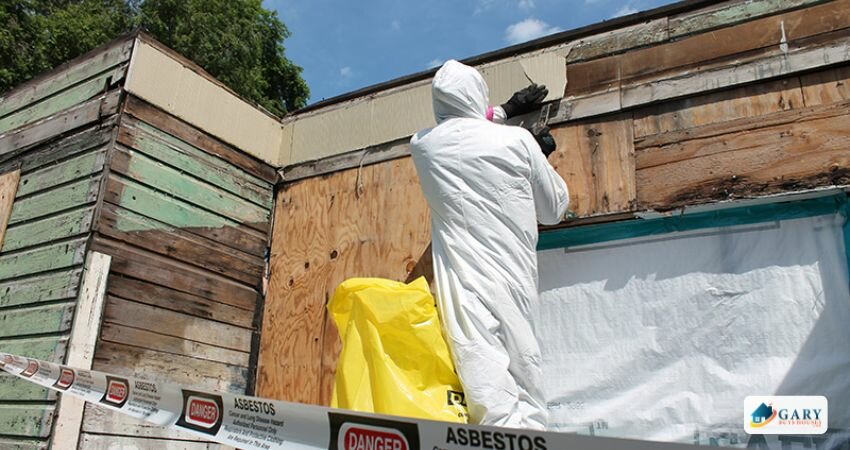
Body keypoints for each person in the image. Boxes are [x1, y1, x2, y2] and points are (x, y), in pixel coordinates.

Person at [410, 60, 569, 430]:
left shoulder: (423, 146)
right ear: (478, 95)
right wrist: (537, 158)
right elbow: (554, 210)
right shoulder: (517, 141)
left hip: (463, 287)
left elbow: (460, 124)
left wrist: (504, 111)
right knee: (527, 379)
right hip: (513, 280)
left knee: (487, 390)